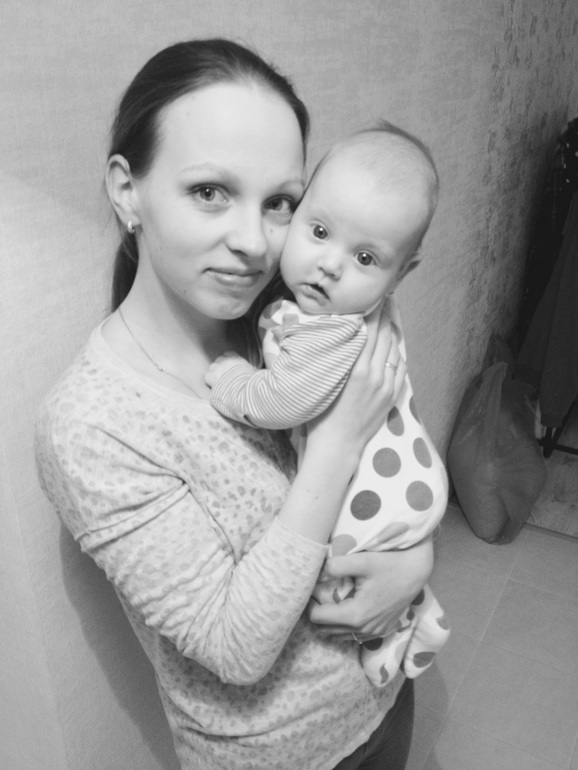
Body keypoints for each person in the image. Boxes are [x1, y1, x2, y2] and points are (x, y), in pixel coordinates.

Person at [35, 39, 435, 770]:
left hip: (383, 698)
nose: (254, 243)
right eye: (210, 192)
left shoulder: (291, 315)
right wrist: (337, 444)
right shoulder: (92, 424)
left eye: (279, 202)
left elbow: (392, 453)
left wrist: (415, 556)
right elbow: (236, 646)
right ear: (127, 191)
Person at [206, 125, 450, 688]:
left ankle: (390, 635)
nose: (330, 265)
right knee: (379, 568)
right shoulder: (365, 309)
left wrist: (232, 377)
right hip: (408, 479)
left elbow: (282, 400)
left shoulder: (327, 329)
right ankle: (421, 614)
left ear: (400, 274)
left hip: (378, 493)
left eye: (365, 257)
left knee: (331, 582)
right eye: (318, 231)